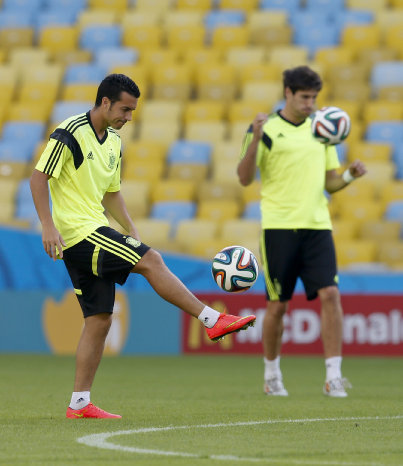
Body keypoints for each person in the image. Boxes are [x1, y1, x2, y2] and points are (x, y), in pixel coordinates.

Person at [30, 74, 256, 419]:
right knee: (152, 260)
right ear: (105, 102)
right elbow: (38, 177)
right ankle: (212, 318)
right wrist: (47, 225)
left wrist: (130, 230)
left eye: (133, 110)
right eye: (125, 108)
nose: (129, 116)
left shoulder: (114, 142)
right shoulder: (70, 131)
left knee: (100, 319)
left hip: (93, 231)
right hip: (79, 233)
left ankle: (79, 403)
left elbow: (111, 192)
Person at [237, 66, 367, 398]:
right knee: (278, 306)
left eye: (314, 98)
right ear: (289, 94)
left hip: (317, 226)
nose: (311, 104)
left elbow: (330, 184)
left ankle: (334, 376)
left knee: (331, 295)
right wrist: (252, 139)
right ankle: (271, 374)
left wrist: (349, 175)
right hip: (278, 228)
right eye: (305, 97)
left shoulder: (322, 131)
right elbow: (244, 177)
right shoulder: (264, 129)